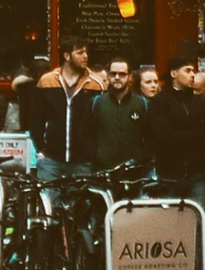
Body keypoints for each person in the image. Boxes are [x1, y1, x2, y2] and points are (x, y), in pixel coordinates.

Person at [144, 56, 205, 208]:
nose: (193, 75)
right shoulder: (160, 101)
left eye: (193, 71)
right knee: (170, 221)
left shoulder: (201, 101)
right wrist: (199, 133)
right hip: (169, 174)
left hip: (197, 173)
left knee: (198, 218)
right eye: (187, 71)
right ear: (174, 74)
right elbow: (165, 137)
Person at [31, 36, 104, 181]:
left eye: (86, 52)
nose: (85, 56)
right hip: (51, 158)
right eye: (80, 52)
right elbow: (36, 117)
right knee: (48, 199)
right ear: (67, 56)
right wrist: (40, 148)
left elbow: (101, 122)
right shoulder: (47, 81)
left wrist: (95, 152)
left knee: (79, 201)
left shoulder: (96, 84)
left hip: (83, 160)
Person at [93, 57, 149, 169]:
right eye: (113, 74)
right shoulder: (97, 102)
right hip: (102, 170)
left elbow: (151, 135)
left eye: (122, 74)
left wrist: (141, 156)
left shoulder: (142, 103)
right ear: (108, 76)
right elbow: (85, 134)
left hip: (134, 170)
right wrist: (96, 154)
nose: (117, 78)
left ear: (130, 76)